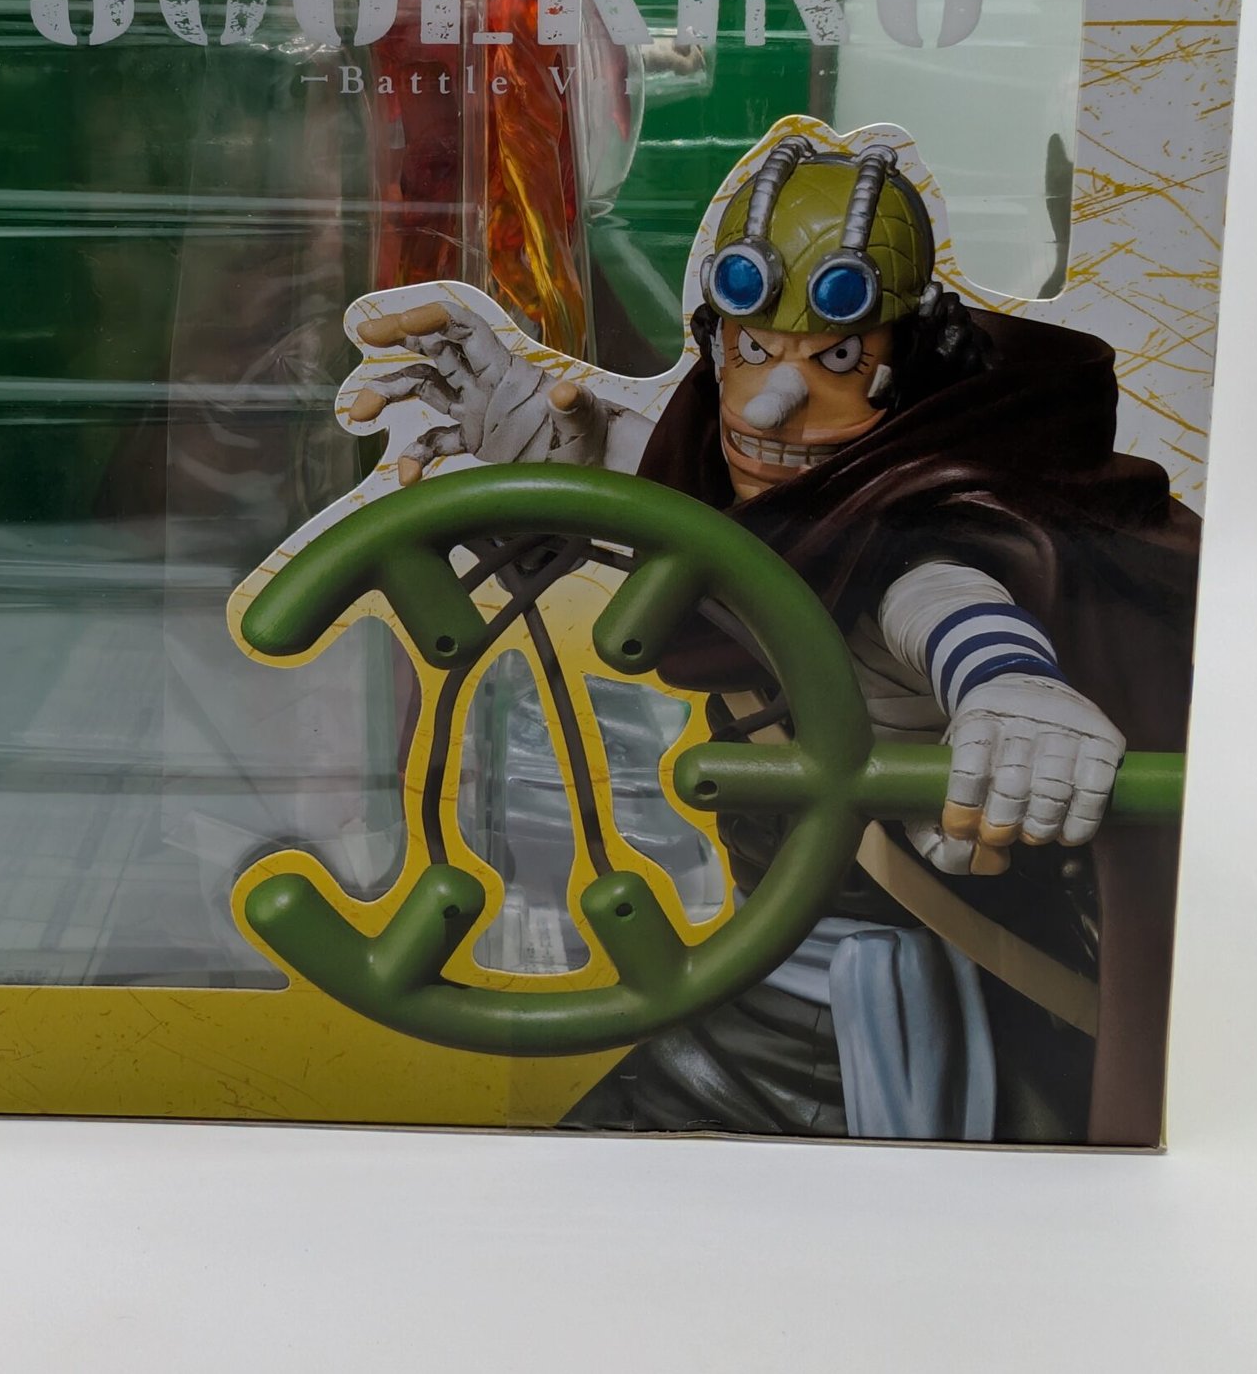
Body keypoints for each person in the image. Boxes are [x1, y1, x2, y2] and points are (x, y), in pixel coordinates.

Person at [344, 132, 1196, 1144]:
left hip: (865, 1011)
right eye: (752, 349)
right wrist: (550, 439)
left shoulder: (910, 535)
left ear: (909, 368)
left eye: (836, 359)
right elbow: (709, 509)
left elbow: (950, 609)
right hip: (779, 973)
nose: (774, 400)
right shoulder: (796, 499)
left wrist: (1015, 692)